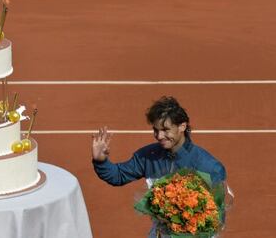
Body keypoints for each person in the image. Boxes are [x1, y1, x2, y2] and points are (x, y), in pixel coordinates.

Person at [92, 96, 226, 237]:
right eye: (156, 130)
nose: (159, 136)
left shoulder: (209, 167)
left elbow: (217, 216)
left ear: (182, 126)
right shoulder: (148, 155)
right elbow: (118, 176)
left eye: (165, 129)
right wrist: (101, 161)